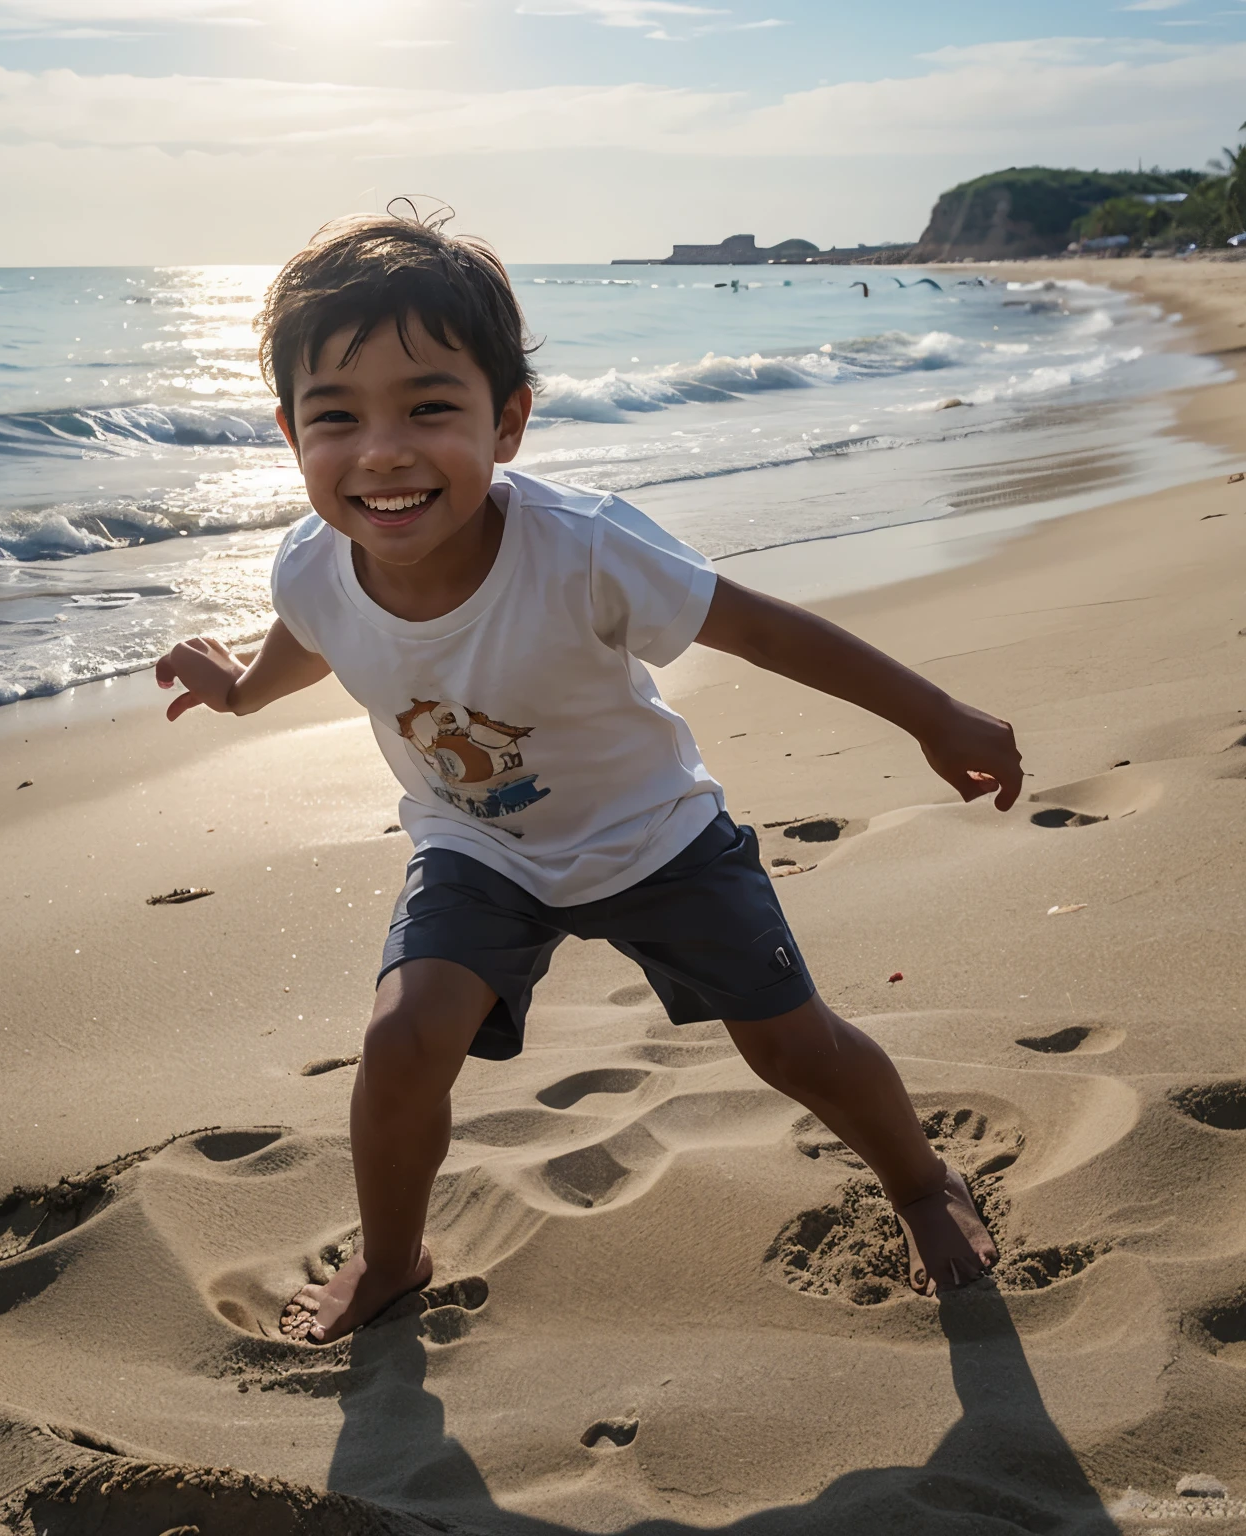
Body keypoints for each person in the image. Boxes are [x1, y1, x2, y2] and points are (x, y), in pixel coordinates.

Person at [154, 210, 1022, 1344]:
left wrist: (930, 712)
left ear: (507, 421)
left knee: (790, 1044)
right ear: (289, 433)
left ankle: (918, 1180)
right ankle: (392, 1257)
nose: (382, 451)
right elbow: (307, 640)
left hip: (652, 835)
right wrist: (234, 692)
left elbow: (756, 629)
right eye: (337, 418)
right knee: (402, 1041)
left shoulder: (586, 549)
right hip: (479, 849)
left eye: (429, 408)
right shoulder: (314, 562)